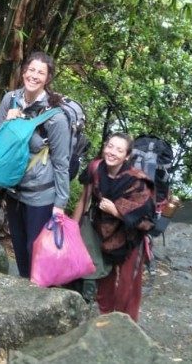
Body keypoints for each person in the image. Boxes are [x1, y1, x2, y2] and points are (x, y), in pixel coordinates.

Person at [0, 51, 70, 278]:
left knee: (36, 251)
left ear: (48, 78)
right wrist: (8, 121)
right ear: (24, 71)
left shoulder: (55, 116)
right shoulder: (10, 99)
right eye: (31, 70)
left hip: (40, 195)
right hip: (14, 189)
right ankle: (25, 295)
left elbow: (61, 163)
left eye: (41, 72)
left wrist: (60, 204)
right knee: (20, 250)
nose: (34, 76)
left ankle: (39, 298)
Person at [72, 132, 155, 321]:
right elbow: (84, 199)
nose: (112, 152)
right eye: (110, 146)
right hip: (101, 233)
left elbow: (147, 219)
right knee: (104, 278)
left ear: (127, 156)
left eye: (119, 150)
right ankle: (106, 319)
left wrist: (116, 211)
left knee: (127, 286)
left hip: (130, 238)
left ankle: (125, 325)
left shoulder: (137, 181)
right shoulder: (95, 168)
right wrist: (72, 229)